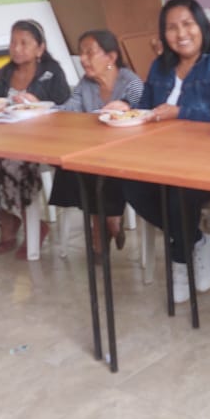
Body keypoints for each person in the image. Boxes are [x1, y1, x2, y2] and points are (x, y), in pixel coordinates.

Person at [113, 0, 210, 303]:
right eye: (171, 27)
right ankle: (198, 239)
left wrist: (180, 112)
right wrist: (126, 107)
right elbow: (147, 107)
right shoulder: (160, 66)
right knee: (129, 184)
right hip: (161, 157)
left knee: (177, 191)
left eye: (187, 24)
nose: (181, 33)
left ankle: (180, 259)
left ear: (202, 26)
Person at [0, 19, 72, 256]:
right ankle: (7, 220)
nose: (16, 48)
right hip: (6, 138)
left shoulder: (52, 74)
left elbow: (67, 112)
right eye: (13, 42)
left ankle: (32, 224)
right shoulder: (5, 73)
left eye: (24, 43)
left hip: (41, 141)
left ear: (40, 48)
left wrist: (38, 104)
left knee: (9, 163)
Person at [48, 29, 142, 252]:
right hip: (93, 149)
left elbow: (140, 109)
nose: (83, 59)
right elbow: (69, 109)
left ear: (111, 57)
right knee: (70, 163)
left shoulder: (131, 82)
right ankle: (107, 220)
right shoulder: (86, 84)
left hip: (125, 152)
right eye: (81, 53)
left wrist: (125, 106)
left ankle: (104, 225)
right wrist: (44, 109)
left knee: (99, 167)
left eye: (89, 53)